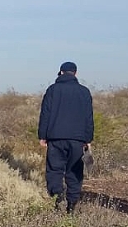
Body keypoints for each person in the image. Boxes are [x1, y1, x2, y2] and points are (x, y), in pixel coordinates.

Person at [38, 61, 94, 213]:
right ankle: (71, 204)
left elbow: (45, 114)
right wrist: (88, 138)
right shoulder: (84, 92)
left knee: (55, 170)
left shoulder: (52, 90)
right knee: (74, 170)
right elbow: (89, 117)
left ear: (60, 72)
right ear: (75, 73)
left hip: (55, 138)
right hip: (77, 139)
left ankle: (57, 198)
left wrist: (42, 136)